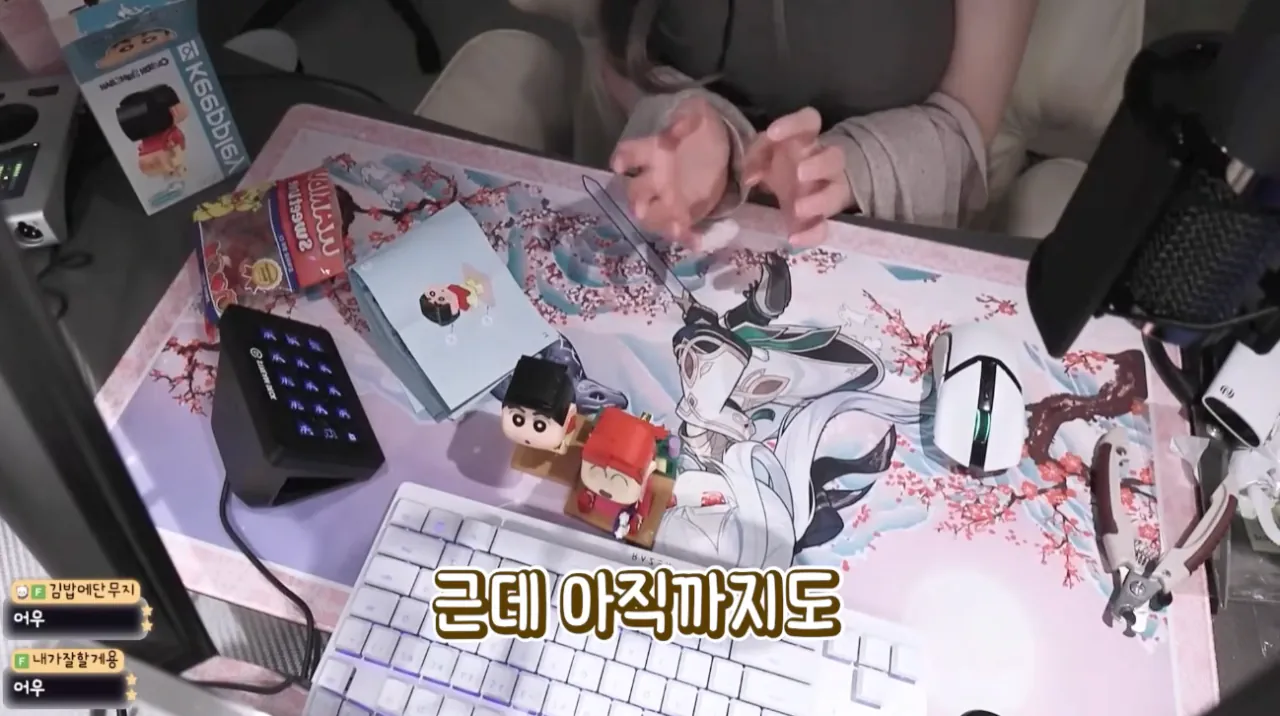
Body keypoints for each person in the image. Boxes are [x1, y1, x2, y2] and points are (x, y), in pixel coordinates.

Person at [590, 0, 1036, 248]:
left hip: (875, 242)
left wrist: (846, 169)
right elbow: (617, 53)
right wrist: (680, 121)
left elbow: (963, 125)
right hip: (671, 235)